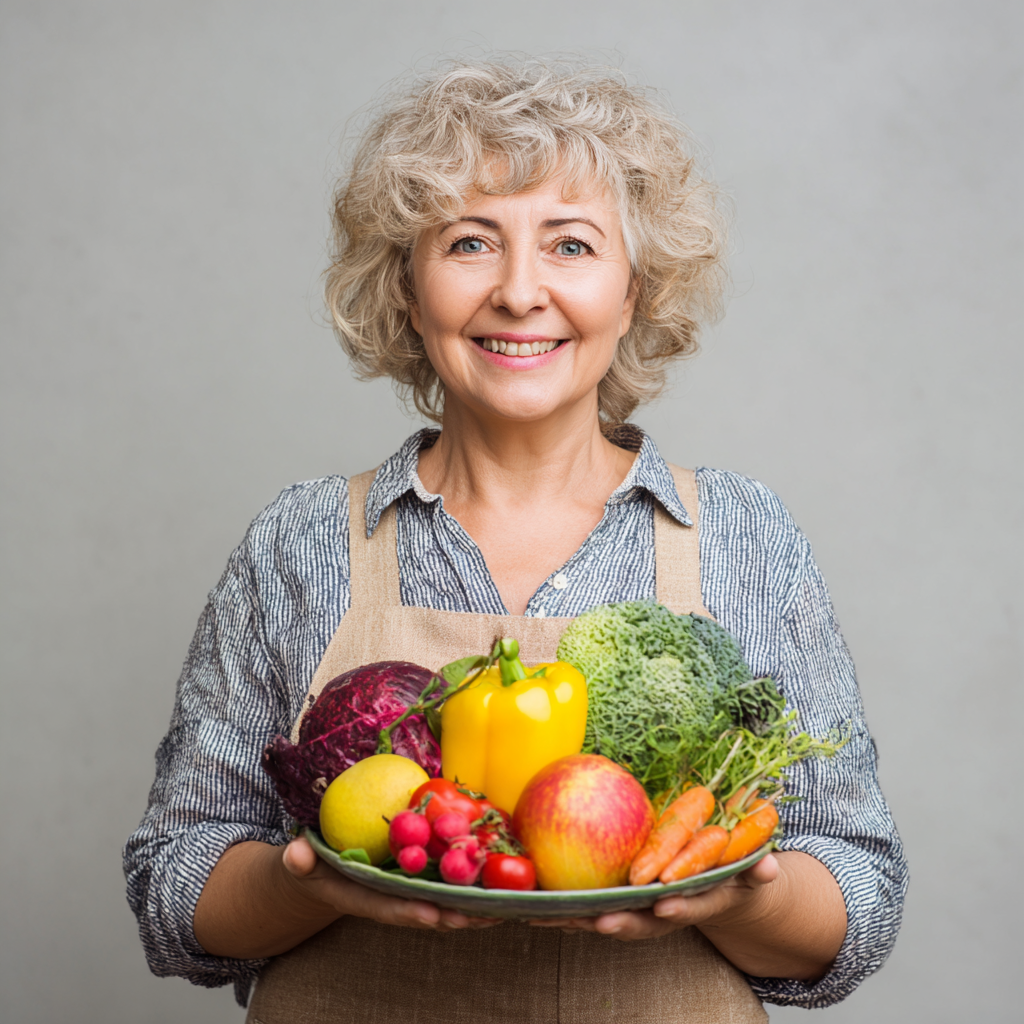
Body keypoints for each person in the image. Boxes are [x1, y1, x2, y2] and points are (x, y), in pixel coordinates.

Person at [124, 57, 907, 1022]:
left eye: (572, 246)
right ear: (408, 291)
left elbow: (858, 898)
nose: (520, 292)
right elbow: (172, 895)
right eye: (469, 244)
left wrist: (738, 889)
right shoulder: (302, 542)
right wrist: (308, 882)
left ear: (635, 292)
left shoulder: (744, 536)